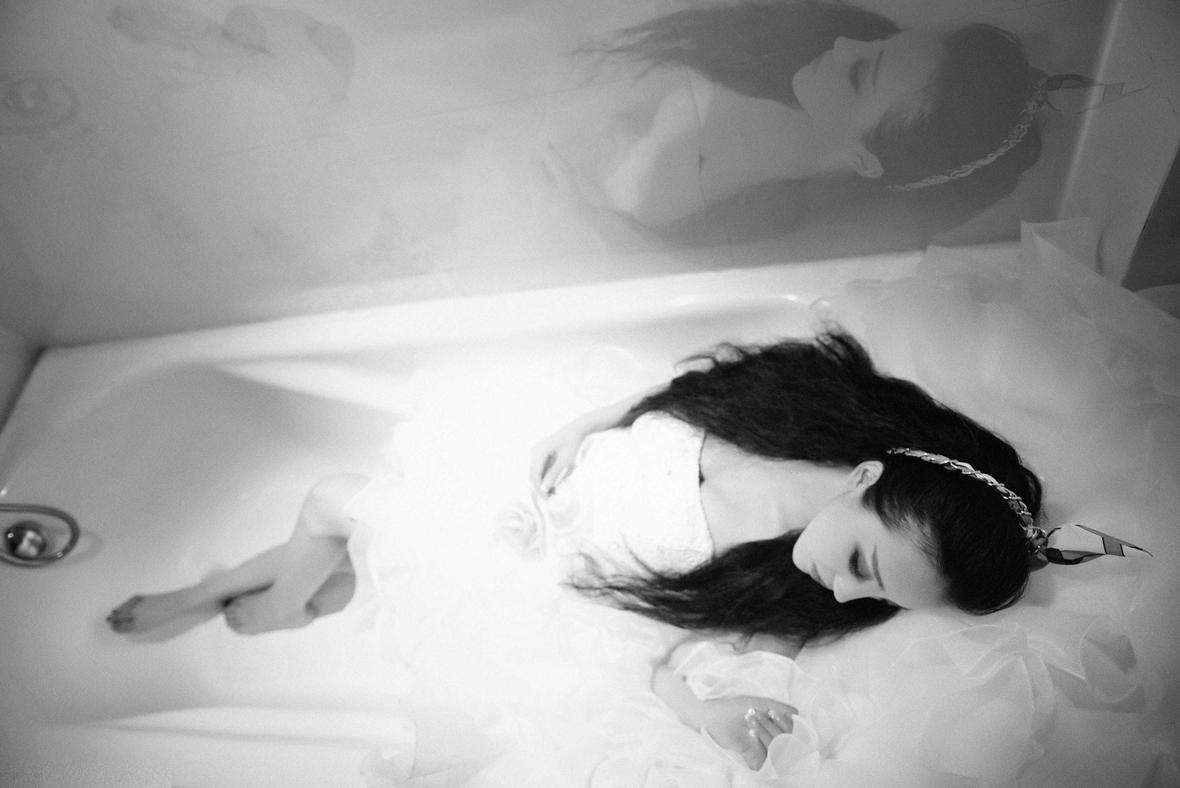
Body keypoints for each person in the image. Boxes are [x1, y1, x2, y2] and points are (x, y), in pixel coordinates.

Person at [106, 329, 1133, 769]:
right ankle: (284, 584)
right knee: (354, 515)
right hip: (543, 476)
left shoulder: (787, 593)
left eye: (880, 597)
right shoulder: (791, 416)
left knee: (336, 500)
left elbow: (653, 652)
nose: (842, 586)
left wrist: (708, 711)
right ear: (866, 476)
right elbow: (685, 394)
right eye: (862, 562)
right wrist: (591, 421)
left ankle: (255, 590)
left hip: (539, 567)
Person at [548, 1, 1085, 232]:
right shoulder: (823, 31)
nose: (845, 44)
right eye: (881, 44)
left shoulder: (779, 213)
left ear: (863, 158)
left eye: (861, 74)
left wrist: (587, 217)